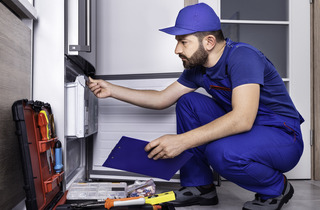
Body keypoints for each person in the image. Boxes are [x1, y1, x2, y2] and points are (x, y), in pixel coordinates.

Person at [88, 3, 304, 210]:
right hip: (249, 131)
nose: (176, 49)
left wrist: (181, 141)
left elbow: (242, 119)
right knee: (187, 102)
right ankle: (201, 187)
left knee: (220, 152)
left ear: (209, 42)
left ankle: (276, 188)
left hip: (283, 136)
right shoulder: (197, 69)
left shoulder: (243, 57)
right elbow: (161, 99)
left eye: (183, 42)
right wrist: (112, 90)